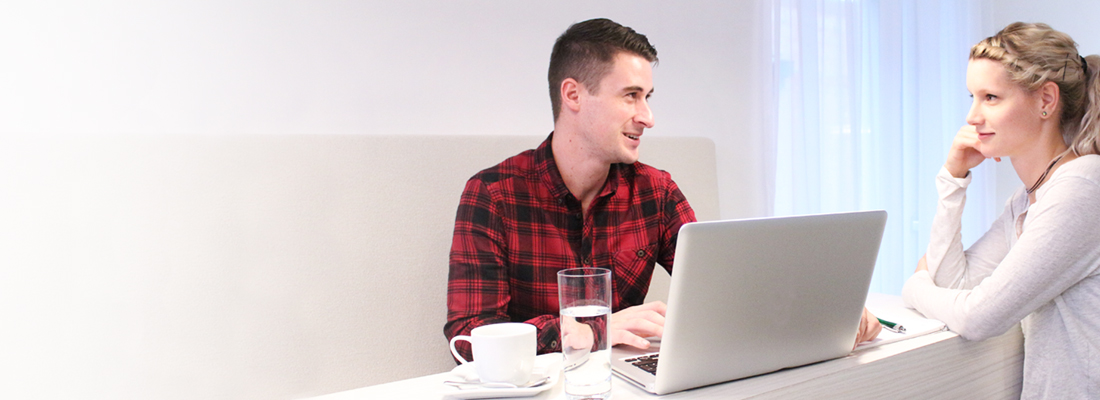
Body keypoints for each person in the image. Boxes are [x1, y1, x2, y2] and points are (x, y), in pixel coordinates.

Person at [446, 18, 880, 362]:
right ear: (573, 95)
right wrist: (593, 331)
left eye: (648, 96)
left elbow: (723, 290)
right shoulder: (493, 195)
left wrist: (826, 308)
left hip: (627, 385)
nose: (648, 117)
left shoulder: (656, 191)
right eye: (631, 96)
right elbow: (468, 337)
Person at [902, 22, 1100, 399]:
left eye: (990, 97)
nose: (973, 117)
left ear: (1046, 100)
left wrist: (914, 287)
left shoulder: (1083, 187)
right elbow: (954, 285)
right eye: (972, 97)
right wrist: (953, 178)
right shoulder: (1026, 201)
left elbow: (979, 317)